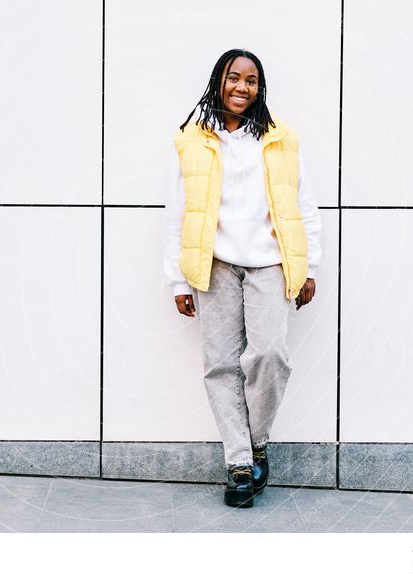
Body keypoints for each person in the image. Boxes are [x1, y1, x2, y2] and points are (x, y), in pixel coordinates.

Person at [162, 48, 322, 508]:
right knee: (222, 365)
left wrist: (308, 267)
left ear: (260, 88)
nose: (241, 87)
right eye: (234, 78)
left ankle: (256, 444)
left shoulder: (279, 139)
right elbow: (179, 212)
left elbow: (302, 204)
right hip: (213, 265)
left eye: (251, 81)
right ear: (219, 81)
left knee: (269, 354)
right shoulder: (194, 139)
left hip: (270, 262)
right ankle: (238, 463)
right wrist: (177, 279)